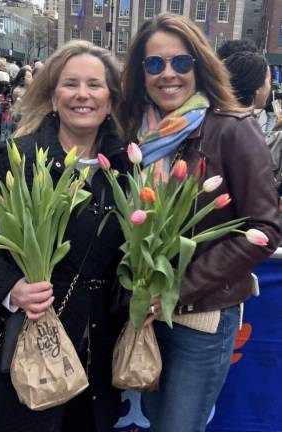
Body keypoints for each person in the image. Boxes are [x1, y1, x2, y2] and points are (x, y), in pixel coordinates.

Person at [121, 13, 281, 432]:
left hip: (201, 318)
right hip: (146, 315)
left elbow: (265, 229)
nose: (168, 74)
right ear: (141, 73)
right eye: (154, 64)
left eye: (181, 62)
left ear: (201, 65)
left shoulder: (231, 129)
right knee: (154, 421)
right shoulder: (138, 132)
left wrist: (179, 290)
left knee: (178, 425)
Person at [0, 40, 128, 432]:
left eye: (94, 85)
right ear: (53, 98)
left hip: (86, 367)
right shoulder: (15, 159)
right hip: (9, 356)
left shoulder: (124, 172)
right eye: (70, 84)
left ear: (111, 101)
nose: (82, 94)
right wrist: (11, 289)